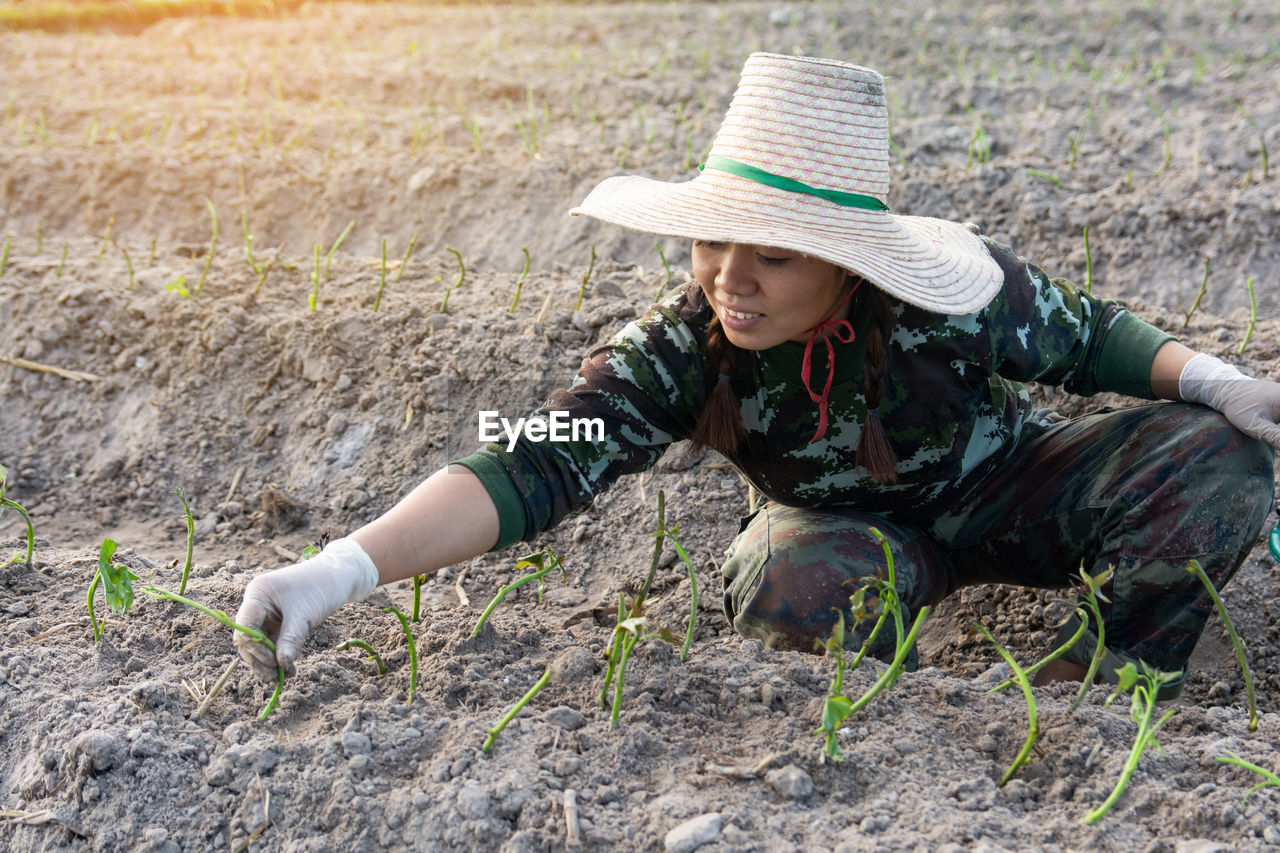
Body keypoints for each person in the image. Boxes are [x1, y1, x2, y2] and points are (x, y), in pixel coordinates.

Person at [234, 53, 1279, 700]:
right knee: (791, 586)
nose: (728, 279)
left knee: (1217, 460)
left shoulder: (952, 289)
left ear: (844, 259)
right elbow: (530, 458)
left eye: (769, 255)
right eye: (710, 245)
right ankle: (897, 710)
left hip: (1006, 488)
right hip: (848, 538)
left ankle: (1085, 685)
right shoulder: (686, 343)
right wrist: (338, 571)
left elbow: (1088, 338)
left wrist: (1215, 381)